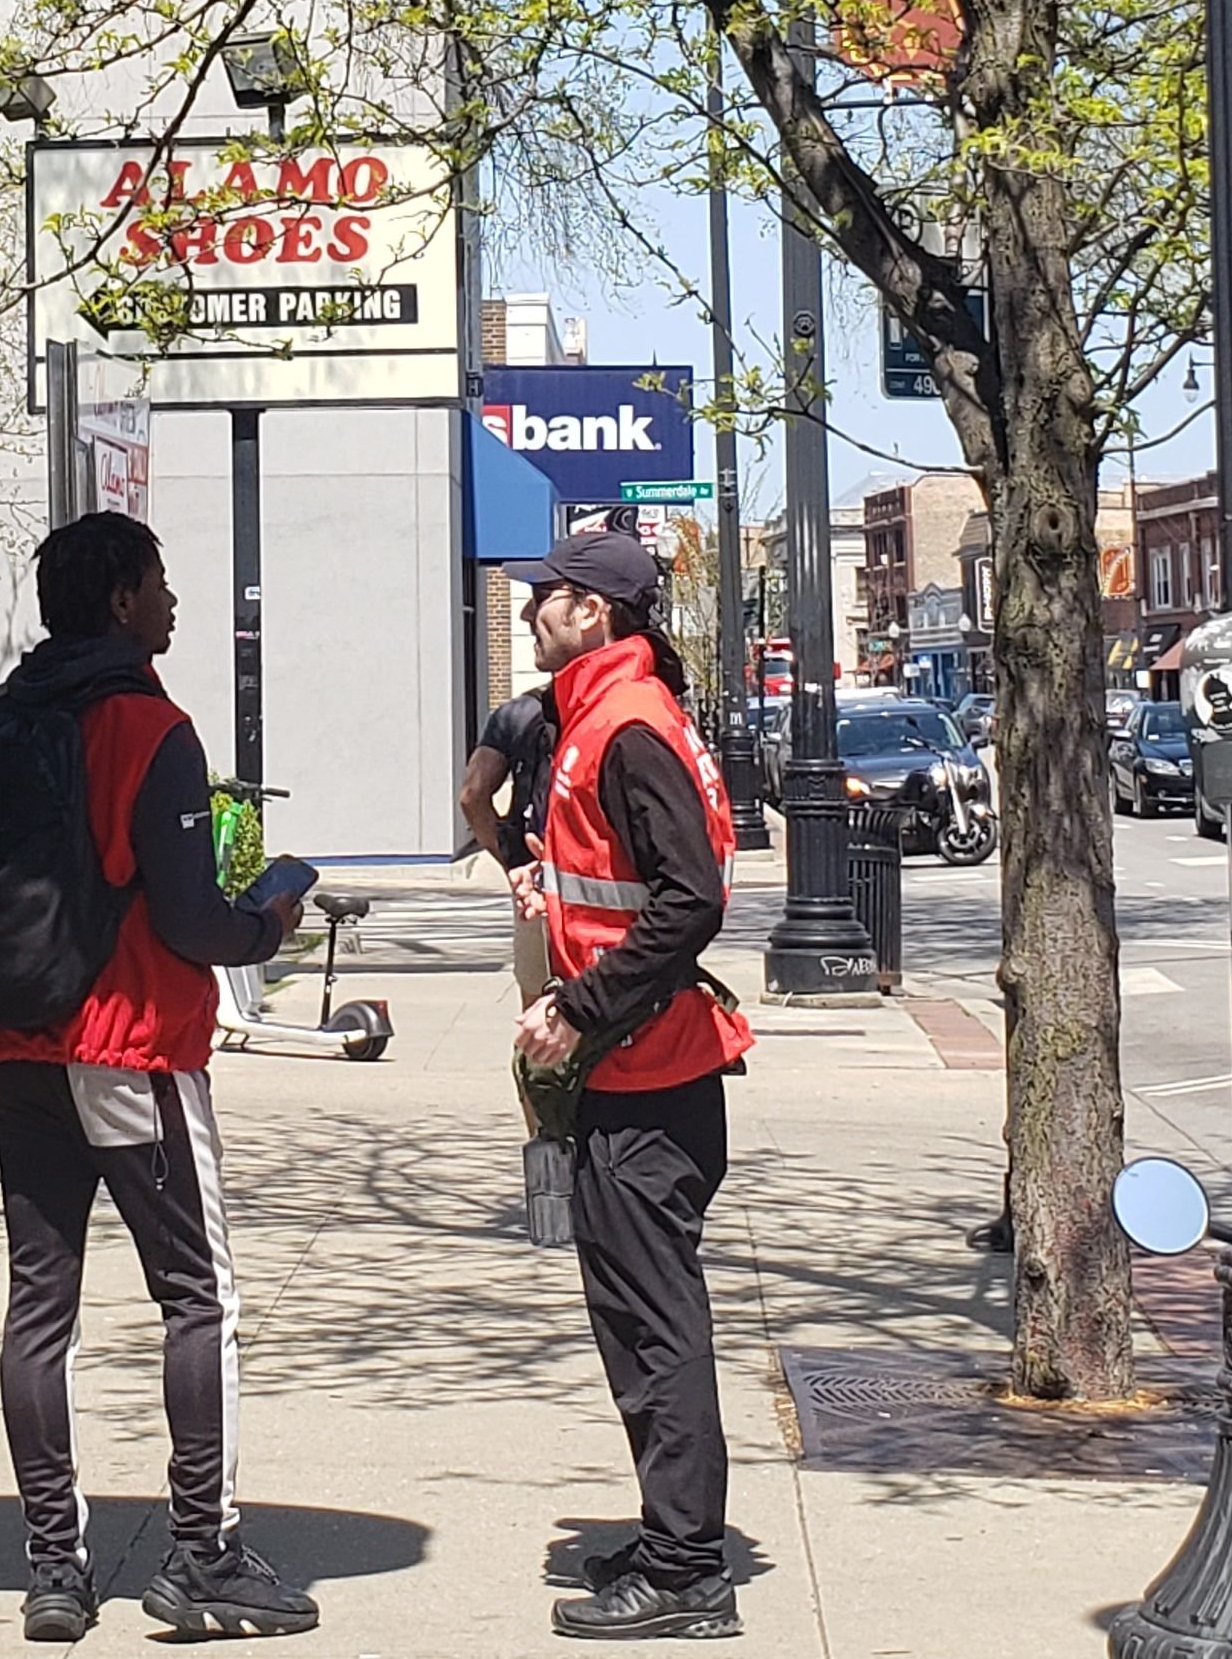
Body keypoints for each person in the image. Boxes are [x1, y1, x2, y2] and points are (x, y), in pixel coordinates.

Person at [0, 512, 321, 1645]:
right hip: (131, 1046)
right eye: (158, 584)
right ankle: (203, 1556)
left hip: (15, 1046)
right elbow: (196, 923)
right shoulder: (153, 730)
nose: (171, 602)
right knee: (200, 1296)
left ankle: (54, 1569)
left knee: (38, 1307)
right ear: (119, 602)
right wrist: (274, 917)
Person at [511, 523, 751, 1640]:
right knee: (637, 1315)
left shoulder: (625, 723)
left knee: (655, 1325)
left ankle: (687, 1567)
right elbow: (629, 884)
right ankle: (672, 1538)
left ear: (595, 612)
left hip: (647, 1070)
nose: (528, 612)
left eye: (547, 597)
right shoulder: (611, 715)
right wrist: (550, 905)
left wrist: (578, 1004)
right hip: (641, 1065)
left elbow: (689, 899)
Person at [459, 671, 562, 1019]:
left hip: (536, 885)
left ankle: (541, 1071)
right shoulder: (621, 706)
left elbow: (472, 796)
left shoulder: (518, 714)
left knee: (537, 1010)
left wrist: (512, 864)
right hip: (610, 890)